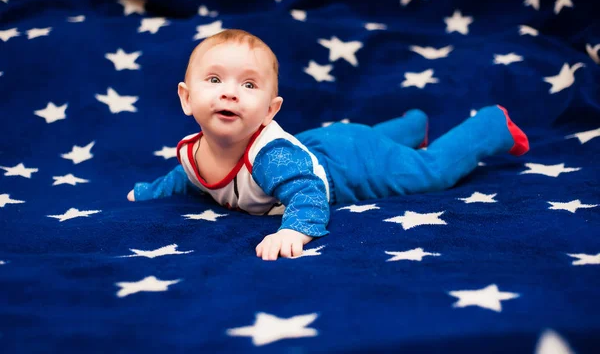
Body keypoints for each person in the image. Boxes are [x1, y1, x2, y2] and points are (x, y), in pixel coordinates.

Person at [127, 29, 529, 261]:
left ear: (270, 110)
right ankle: (411, 126)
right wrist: (151, 192)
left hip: (346, 169)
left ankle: (490, 125)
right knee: (369, 138)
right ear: (185, 97)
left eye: (248, 85)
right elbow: (186, 177)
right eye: (214, 80)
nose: (230, 93)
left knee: (430, 172)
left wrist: (296, 230)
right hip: (321, 144)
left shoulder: (271, 159)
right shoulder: (192, 150)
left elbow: (309, 193)